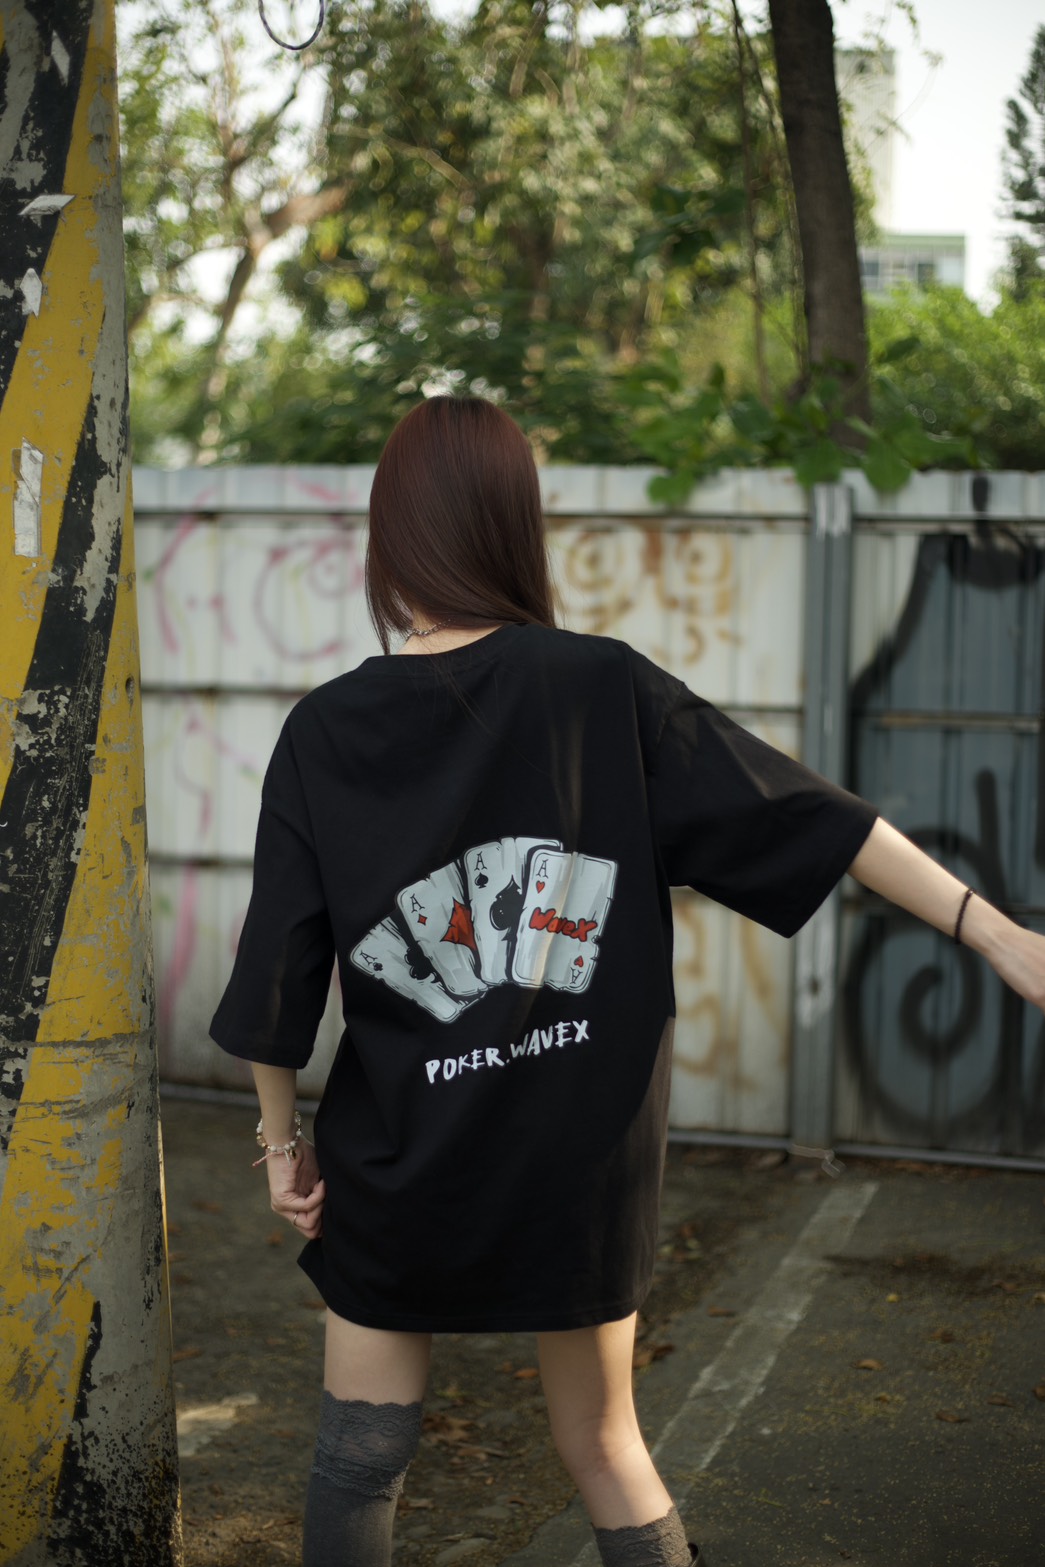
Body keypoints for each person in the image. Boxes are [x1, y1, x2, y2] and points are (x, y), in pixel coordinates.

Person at [210, 395, 1045, 1567]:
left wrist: (280, 1145)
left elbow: (276, 977)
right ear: (513, 525)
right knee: (604, 1442)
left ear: (388, 538)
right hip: (579, 1154)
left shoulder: (323, 730)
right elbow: (807, 815)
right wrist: (995, 932)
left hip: (399, 1150)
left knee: (360, 1452)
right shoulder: (602, 689)